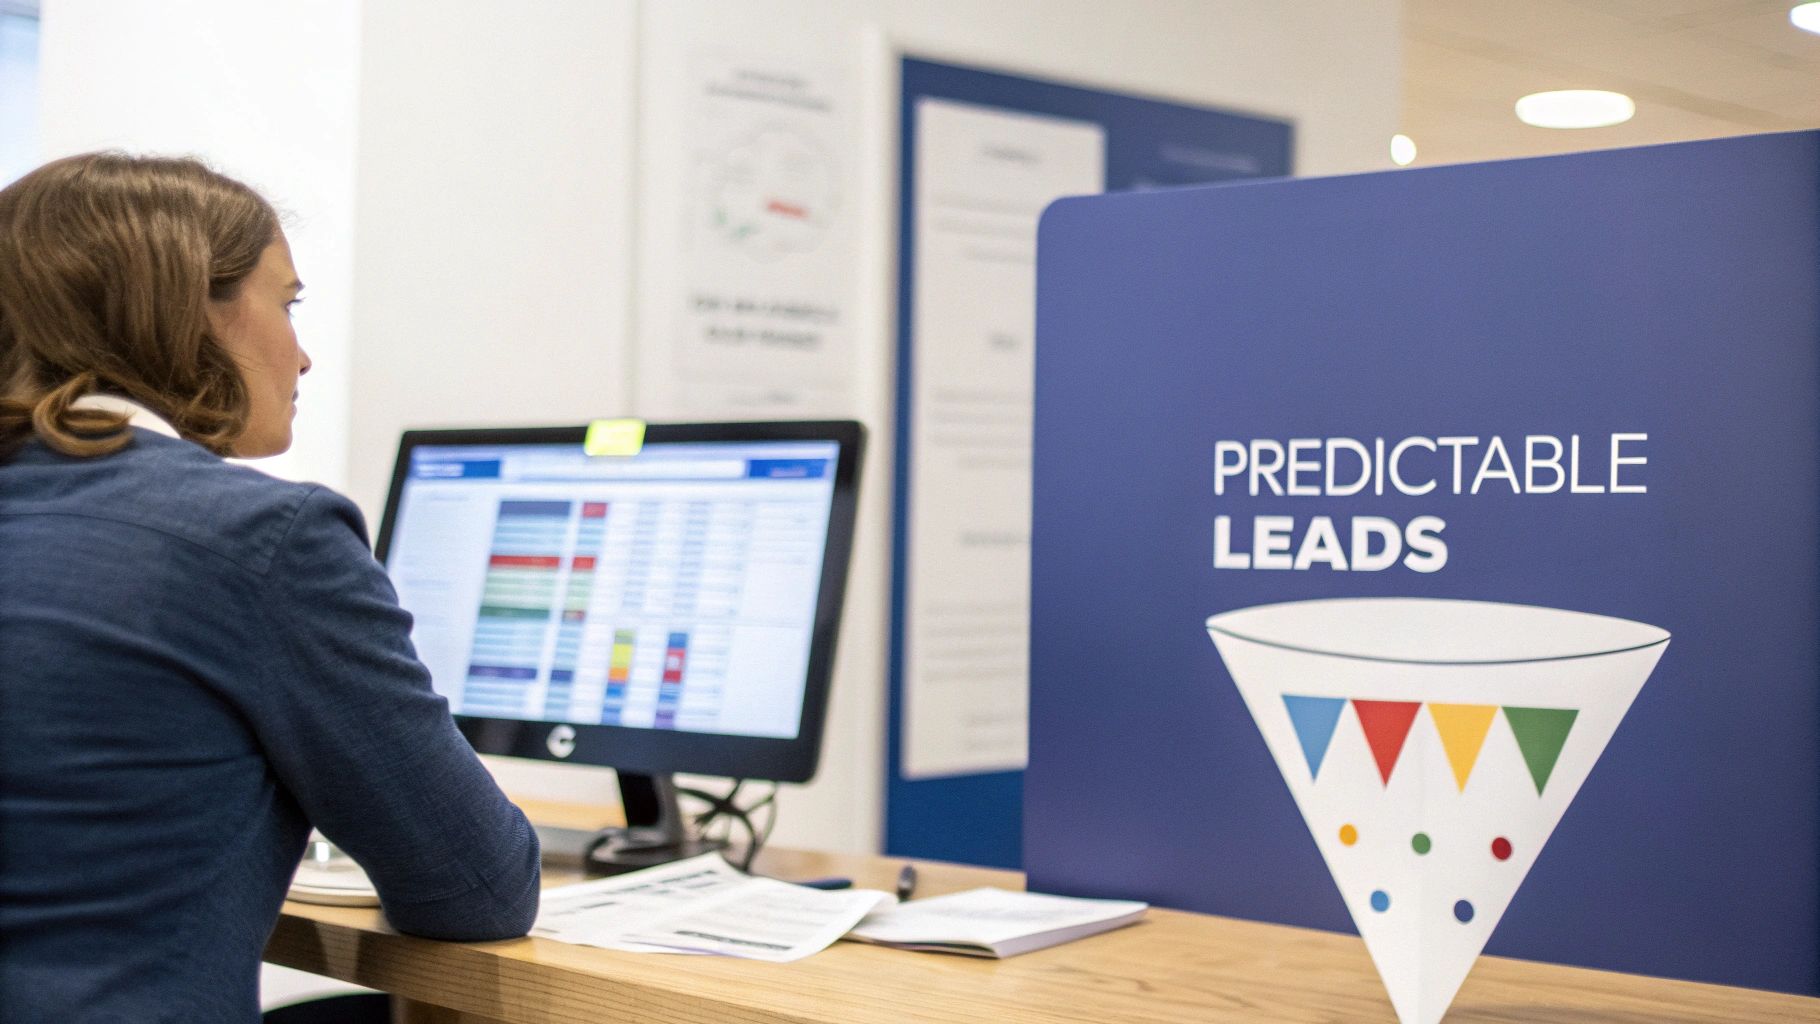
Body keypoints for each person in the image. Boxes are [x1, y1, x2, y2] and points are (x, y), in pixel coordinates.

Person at [0, 153, 540, 1021]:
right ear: (188, 314)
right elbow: (479, 888)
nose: (304, 355)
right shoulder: (258, 538)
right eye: (287, 304)